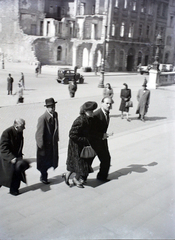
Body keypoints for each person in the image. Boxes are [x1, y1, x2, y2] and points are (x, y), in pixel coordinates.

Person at [63, 101, 98, 188]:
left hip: (81, 145)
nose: (92, 112)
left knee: (77, 164)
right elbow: (72, 135)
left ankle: (67, 175)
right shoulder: (80, 120)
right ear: (85, 111)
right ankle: (75, 180)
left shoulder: (89, 119)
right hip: (76, 146)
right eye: (91, 111)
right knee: (79, 164)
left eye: (93, 111)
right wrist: (85, 139)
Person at [0, 119, 30, 196]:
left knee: (17, 174)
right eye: (22, 126)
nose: (24, 128)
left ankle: (14, 190)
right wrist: (11, 157)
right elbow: (3, 148)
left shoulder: (19, 131)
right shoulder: (6, 133)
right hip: (8, 158)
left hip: (17, 157)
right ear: (16, 126)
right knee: (6, 176)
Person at [89, 97, 113, 182]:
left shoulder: (106, 113)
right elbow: (91, 131)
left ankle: (102, 177)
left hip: (102, 141)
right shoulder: (96, 115)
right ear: (102, 103)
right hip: (94, 142)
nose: (109, 105)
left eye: (110, 103)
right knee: (87, 161)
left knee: (106, 159)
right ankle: (76, 177)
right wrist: (102, 135)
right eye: (107, 103)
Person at [35, 98, 59, 184]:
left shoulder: (55, 115)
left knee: (51, 160)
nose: (52, 108)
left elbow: (56, 128)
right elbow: (39, 135)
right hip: (45, 146)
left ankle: (44, 175)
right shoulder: (42, 118)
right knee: (43, 162)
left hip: (52, 144)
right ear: (46, 107)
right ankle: (43, 177)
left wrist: (57, 138)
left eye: (53, 106)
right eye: (50, 107)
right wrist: (41, 148)